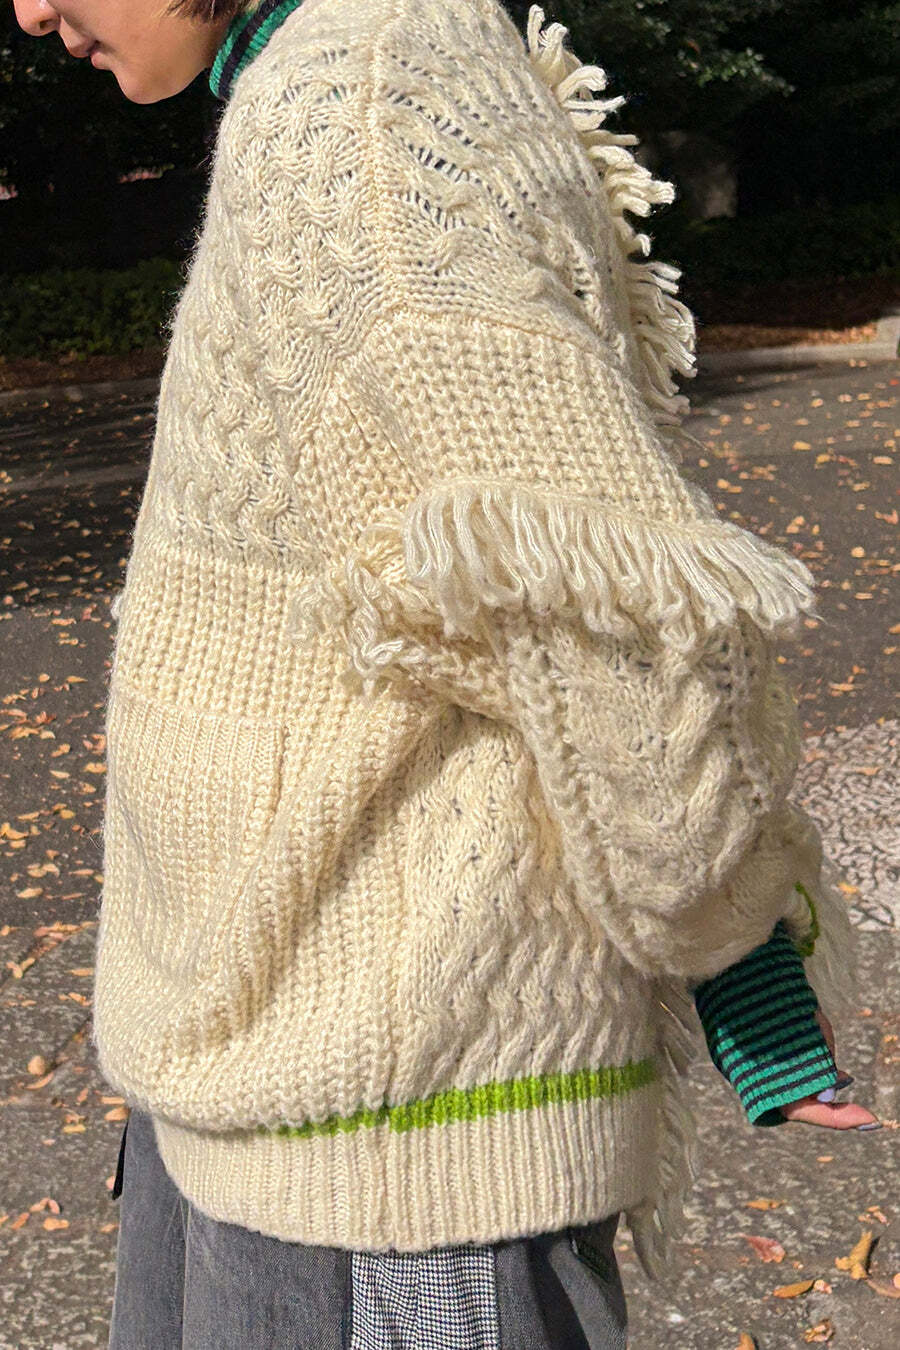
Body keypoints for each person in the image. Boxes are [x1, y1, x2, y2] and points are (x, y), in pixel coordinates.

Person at [13, 0, 880, 1346]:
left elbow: (600, 610)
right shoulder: (339, 79)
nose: (26, 11)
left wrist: (736, 948)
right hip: (271, 1096)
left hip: (390, 1161)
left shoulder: (361, 119)